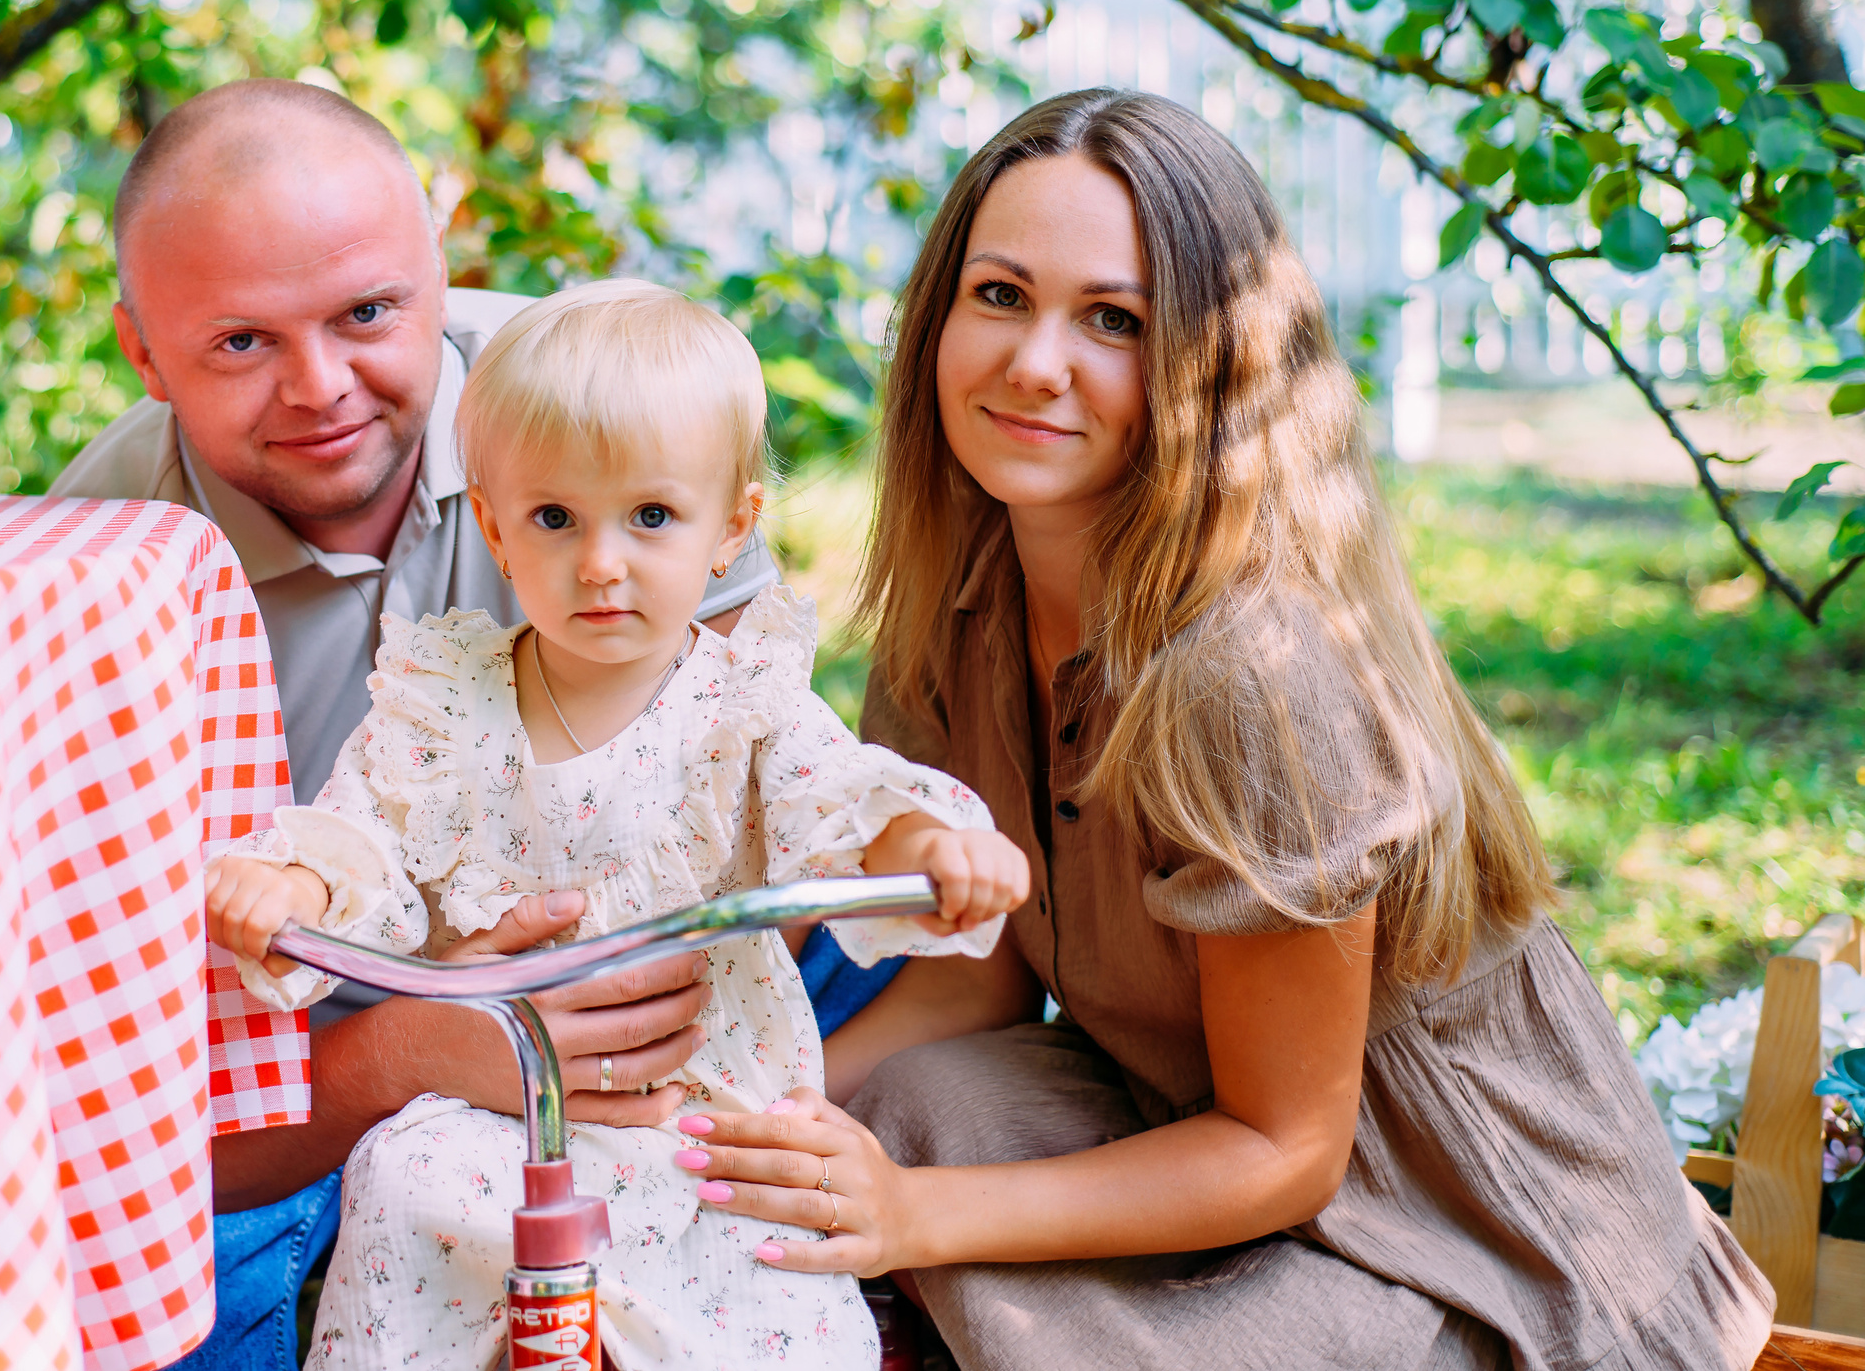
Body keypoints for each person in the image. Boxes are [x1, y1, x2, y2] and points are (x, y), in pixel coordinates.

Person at [664, 90, 1777, 1369]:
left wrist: (913, 1213)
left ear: (1212, 364)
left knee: (997, 1274)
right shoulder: (958, 608)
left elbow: (1284, 1147)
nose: (1035, 362)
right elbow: (976, 982)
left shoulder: (1256, 675)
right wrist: (716, 1124)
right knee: (918, 1101)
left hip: (1468, 1244)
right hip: (1181, 1128)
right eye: (1000, 295)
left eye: (1114, 320)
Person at [48, 81, 941, 1368]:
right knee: (140, 1301)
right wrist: (427, 1040)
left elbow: (753, 760)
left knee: (900, 920)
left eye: (368, 312)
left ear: (437, 264)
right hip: (315, 1046)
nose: (321, 386)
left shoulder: (600, 400)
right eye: (240, 342)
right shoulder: (93, 572)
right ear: (143, 353)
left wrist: (671, 1079)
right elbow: (125, 1057)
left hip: (664, 964)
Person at [204, 279, 1025, 1370]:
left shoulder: (744, 704)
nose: (600, 562)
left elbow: (838, 799)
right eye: (555, 519)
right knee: (406, 1179)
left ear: (732, 526)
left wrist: (926, 847)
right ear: (496, 527)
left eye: (650, 517)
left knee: (765, 1283)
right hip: (498, 1103)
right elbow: (366, 829)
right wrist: (296, 884)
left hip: (700, 1102)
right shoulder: (444, 700)